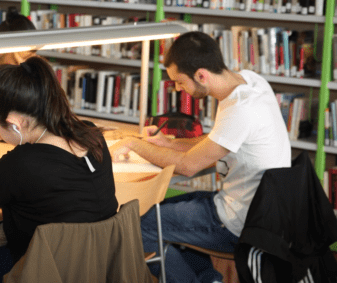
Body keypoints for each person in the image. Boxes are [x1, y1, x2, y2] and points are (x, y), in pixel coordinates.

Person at [114, 31, 291, 283]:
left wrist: (133, 143)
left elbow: (187, 167)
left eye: (180, 81)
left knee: (135, 226)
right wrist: (168, 144)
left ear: (201, 76)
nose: (177, 88)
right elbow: (216, 142)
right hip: (258, 210)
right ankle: (209, 280)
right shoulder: (250, 82)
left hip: (241, 223)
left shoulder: (240, 110)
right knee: (154, 212)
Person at [0, 55, 118, 280]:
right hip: (97, 269)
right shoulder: (92, 135)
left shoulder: (23, 164)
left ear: (15, 123)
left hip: (42, 273)